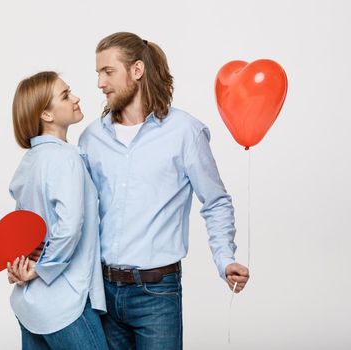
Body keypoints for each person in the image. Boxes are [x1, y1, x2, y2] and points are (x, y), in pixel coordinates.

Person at [76, 32, 250, 349]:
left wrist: (225, 259)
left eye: (108, 71)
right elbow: (78, 214)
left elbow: (215, 202)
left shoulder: (185, 132)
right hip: (101, 292)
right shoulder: (90, 139)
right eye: (98, 73)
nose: (100, 83)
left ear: (137, 70)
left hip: (156, 294)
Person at [6, 71, 108, 350]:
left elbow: (21, 229)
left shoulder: (29, 162)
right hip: (65, 302)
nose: (75, 98)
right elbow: (70, 227)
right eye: (65, 95)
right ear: (46, 115)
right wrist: (39, 269)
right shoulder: (65, 158)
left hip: (29, 304)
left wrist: (21, 267)